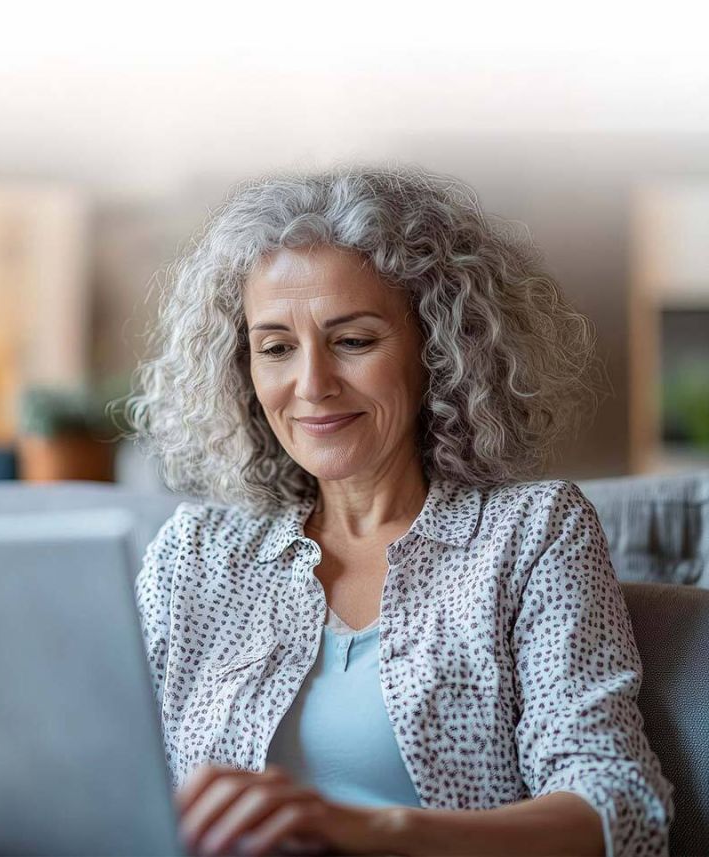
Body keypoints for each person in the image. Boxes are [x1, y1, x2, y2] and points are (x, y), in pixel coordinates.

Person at [126, 164, 674, 857]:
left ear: (438, 348)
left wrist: (368, 828)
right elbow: (107, 778)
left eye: (352, 341)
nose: (312, 385)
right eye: (276, 348)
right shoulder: (196, 552)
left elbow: (622, 808)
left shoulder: (533, 533)